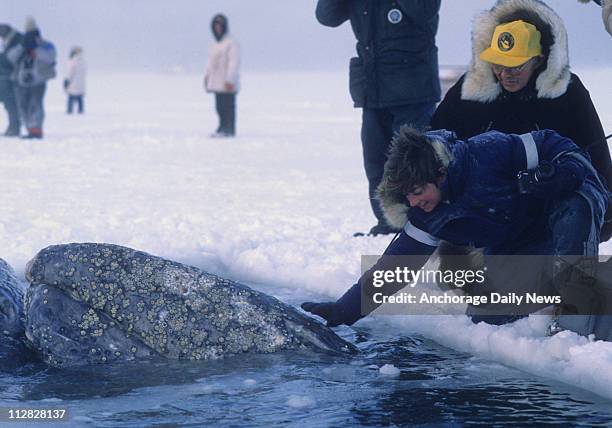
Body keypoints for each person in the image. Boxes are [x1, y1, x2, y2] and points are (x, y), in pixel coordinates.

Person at [302, 126, 610, 340]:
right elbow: (393, 269)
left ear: (440, 173)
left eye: (418, 191)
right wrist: (342, 311)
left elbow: (554, 144)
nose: (413, 202)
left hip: (565, 204)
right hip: (521, 241)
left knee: (575, 210)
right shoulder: (426, 214)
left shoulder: (488, 153)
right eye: (407, 196)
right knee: (488, 318)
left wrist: (564, 174)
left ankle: (574, 325)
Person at [430, 0, 612, 241]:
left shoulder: (569, 92)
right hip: (489, 214)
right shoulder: (468, 93)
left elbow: (596, 164)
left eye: (515, 67)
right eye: (498, 65)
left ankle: (572, 276)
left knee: (576, 207)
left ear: (537, 60)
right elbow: (431, 151)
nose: (505, 74)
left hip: (550, 212)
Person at [315, 0, 441, 236]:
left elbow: (424, 11)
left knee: (415, 164)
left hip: (412, 90)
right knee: (376, 165)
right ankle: (389, 224)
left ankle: (423, 227)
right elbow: (326, 16)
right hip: (373, 92)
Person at [13, 17, 56, 139]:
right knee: (23, 105)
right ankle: (29, 128)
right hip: (22, 80)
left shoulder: (45, 45)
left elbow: (50, 57)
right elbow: (11, 58)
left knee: (35, 104)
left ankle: (36, 129)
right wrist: (22, 47)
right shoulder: (22, 45)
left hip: (38, 80)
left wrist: (35, 50)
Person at [204, 14, 240, 138]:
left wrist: (230, 79)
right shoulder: (214, 45)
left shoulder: (231, 43)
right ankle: (221, 127)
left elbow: (233, 63)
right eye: (215, 26)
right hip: (216, 82)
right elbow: (210, 63)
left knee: (228, 107)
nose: (218, 28)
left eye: (220, 26)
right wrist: (207, 77)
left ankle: (229, 129)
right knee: (219, 107)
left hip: (227, 82)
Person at [0, 24, 22, 137]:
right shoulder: (15, 40)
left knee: (10, 104)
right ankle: (13, 127)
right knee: (10, 104)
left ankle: (14, 128)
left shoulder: (14, 41)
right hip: (8, 78)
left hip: (7, 79)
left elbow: (8, 60)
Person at [64, 46, 86, 114]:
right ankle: (81, 112)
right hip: (81, 85)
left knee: (71, 99)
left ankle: (69, 112)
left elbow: (69, 73)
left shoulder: (72, 61)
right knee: (80, 100)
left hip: (73, 85)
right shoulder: (83, 62)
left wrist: (66, 82)